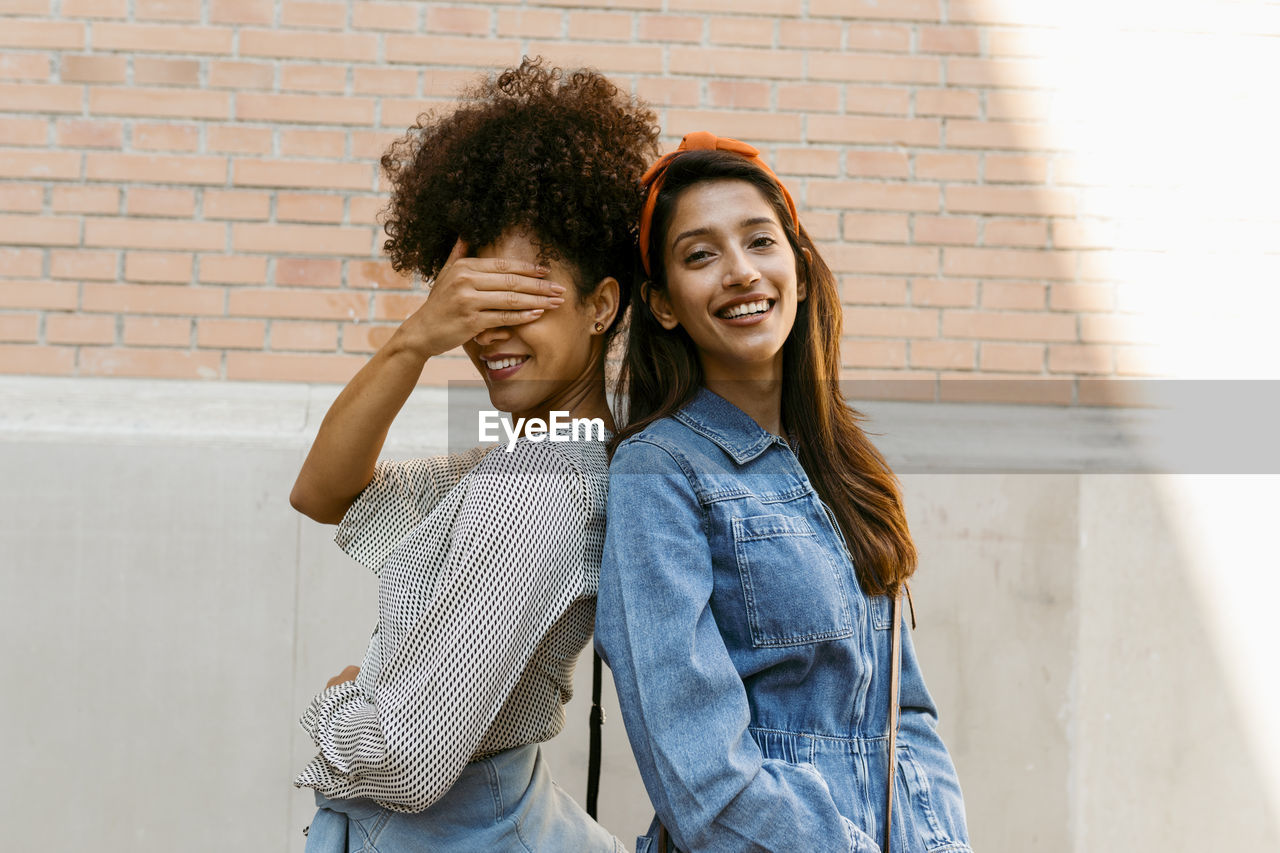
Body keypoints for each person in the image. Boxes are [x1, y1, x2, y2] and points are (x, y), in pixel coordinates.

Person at [289, 58, 657, 852]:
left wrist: (335, 706)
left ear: (601, 305)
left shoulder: (534, 485)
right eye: (471, 305)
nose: (489, 332)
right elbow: (325, 492)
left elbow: (410, 761)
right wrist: (417, 338)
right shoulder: (530, 456)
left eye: (519, 299)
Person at [594, 133, 972, 853]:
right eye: (700, 255)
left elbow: (907, 716)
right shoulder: (659, 472)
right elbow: (701, 777)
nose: (740, 272)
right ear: (664, 304)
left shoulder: (840, 461)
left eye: (759, 241)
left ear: (796, 264)